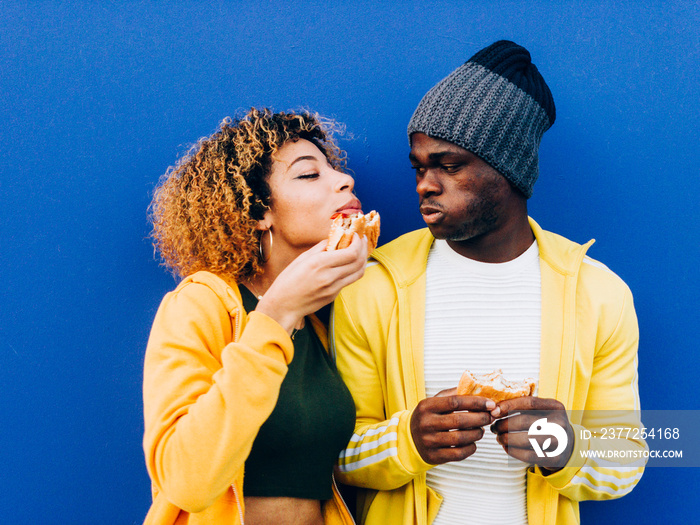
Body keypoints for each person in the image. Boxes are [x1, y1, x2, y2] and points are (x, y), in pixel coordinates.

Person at [331, 40, 646, 525]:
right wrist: (406, 441)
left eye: (449, 165)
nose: (425, 184)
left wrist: (563, 448)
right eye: (419, 166)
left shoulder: (598, 294)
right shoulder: (373, 287)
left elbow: (629, 457)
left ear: (509, 169)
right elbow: (335, 455)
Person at [142, 108, 368, 525]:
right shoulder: (201, 304)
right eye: (308, 174)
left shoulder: (322, 323)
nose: (344, 180)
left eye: (335, 169)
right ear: (259, 210)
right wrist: (275, 314)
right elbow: (186, 481)